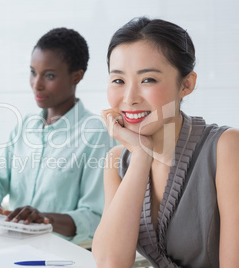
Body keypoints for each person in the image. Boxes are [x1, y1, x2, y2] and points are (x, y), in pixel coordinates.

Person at [92, 17, 239, 267]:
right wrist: (140, 155)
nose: (129, 98)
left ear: (186, 84)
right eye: (118, 80)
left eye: (148, 79)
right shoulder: (118, 160)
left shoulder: (226, 148)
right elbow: (110, 262)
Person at [0, 28, 113, 244]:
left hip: (61, 255)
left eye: (49, 75)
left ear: (76, 77)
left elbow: (96, 216)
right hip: (13, 245)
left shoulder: (96, 134)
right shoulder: (26, 127)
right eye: (33, 72)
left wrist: (44, 218)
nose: (37, 84)